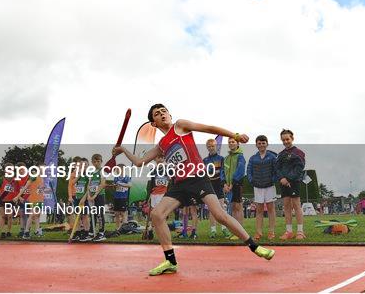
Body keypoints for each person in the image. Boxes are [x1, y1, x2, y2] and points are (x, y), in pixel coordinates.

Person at [112, 103, 275, 276]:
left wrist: (234, 134)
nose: (162, 114)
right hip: (178, 184)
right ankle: (170, 261)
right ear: (154, 123)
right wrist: (123, 150)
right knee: (156, 215)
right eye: (157, 114)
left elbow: (209, 128)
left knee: (219, 215)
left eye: (164, 111)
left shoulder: (180, 126)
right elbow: (139, 162)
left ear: (169, 114)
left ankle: (255, 247)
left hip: (198, 178)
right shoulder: (161, 145)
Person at [276, 129, 306, 240]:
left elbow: (299, 168)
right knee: (287, 206)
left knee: (296, 205)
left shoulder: (299, 152)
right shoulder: (281, 154)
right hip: (283, 183)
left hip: (294, 182)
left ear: (292, 138)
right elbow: (277, 168)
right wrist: (282, 178)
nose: (285, 141)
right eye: (283, 140)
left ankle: (300, 231)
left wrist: (288, 178)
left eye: (287, 139)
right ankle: (289, 231)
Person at [247, 135, 277, 240]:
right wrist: (252, 181)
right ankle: (258, 232)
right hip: (258, 187)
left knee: (271, 209)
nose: (261, 145)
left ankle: (271, 231)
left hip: (269, 186)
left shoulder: (272, 157)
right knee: (259, 210)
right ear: (256, 145)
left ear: (267, 144)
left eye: (263, 143)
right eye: (259, 143)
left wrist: (272, 180)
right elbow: (249, 171)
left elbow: (276, 170)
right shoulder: (253, 158)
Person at [203, 138, 230, 238]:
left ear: (216, 147)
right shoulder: (205, 160)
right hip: (209, 185)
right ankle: (213, 230)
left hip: (218, 185)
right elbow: (204, 174)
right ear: (207, 148)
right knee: (212, 209)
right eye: (209, 146)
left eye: (212, 146)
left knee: (221, 208)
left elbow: (223, 172)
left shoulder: (221, 158)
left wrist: (224, 184)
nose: (211, 148)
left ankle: (224, 229)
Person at [221, 137, 246, 239]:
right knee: (232, 208)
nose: (231, 143)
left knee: (238, 207)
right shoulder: (226, 158)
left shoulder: (240, 157)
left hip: (237, 185)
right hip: (228, 187)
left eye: (233, 142)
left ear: (237, 144)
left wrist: (232, 183)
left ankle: (241, 233)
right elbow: (223, 172)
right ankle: (236, 232)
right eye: (229, 142)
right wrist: (224, 184)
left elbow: (240, 171)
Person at [13, 163, 45, 239]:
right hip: (33, 199)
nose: (43, 170)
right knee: (32, 215)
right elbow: (25, 187)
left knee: (37, 216)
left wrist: (45, 191)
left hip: (40, 199)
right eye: (41, 168)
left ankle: (37, 230)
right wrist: (18, 196)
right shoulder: (34, 176)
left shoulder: (42, 177)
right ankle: (26, 232)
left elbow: (39, 189)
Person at [147, 155, 172, 239]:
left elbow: (171, 180)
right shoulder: (153, 170)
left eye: (162, 157)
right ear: (154, 159)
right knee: (155, 214)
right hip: (155, 194)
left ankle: (158, 230)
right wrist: (149, 196)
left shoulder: (168, 169)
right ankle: (151, 228)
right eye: (158, 157)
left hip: (164, 194)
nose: (160, 159)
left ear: (164, 158)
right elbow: (151, 184)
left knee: (162, 214)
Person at [88, 154, 107, 241]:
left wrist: (95, 194)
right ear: (92, 162)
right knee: (93, 214)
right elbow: (89, 185)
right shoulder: (92, 173)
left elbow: (102, 184)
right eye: (94, 161)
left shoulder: (102, 171)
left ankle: (101, 233)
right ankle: (92, 232)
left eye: (98, 161)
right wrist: (89, 195)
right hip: (92, 197)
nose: (96, 163)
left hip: (99, 195)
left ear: (101, 161)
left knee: (99, 214)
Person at [0, 163, 17, 238]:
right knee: (2, 216)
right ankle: (2, 232)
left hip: (11, 200)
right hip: (2, 200)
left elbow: (18, 189)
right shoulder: (1, 179)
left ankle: (9, 231)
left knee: (10, 216)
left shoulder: (15, 179)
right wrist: (1, 194)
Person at [113, 164, 132, 233]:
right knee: (116, 213)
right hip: (116, 197)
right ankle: (117, 228)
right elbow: (114, 186)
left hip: (123, 197)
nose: (117, 170)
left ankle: (124, 228)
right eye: (116, 169)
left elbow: (130, 185)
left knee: (123, 213)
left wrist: (121, 184)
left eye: (118, 169)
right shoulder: (116, 178)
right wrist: (114, 186)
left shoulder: (126, 177)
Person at [14, 162, 30, 238]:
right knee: (22, 215)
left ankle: (27, 230)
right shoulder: (17, 179)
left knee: (27, 215)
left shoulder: (30, 177)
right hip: (21, 199)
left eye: (22, 169)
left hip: (29, 198)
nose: (21, 171)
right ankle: (22, 229)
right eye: (19, 170)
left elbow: (33, 188)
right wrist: (19, 197)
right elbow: (16, 190)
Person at [67, 156, 81, 234]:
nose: (77, 165)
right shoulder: (72, 173)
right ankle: (73, 228)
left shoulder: (83, 172)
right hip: (73, 195)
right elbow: (69, 185)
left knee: (82, 213)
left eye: (78, 164)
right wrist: (69, 196)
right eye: (75, 164)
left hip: (81, 195)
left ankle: (81, 228)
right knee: (71, 212)